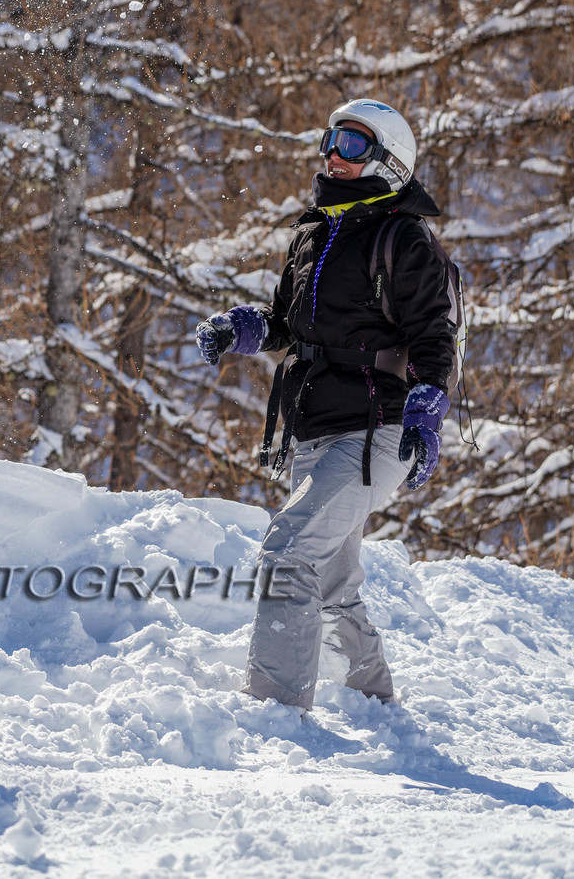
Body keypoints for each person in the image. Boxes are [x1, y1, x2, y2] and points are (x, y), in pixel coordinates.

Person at [196, 98, 458, 710]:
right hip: (313, 425)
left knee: (289, 554)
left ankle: (276, 708)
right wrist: (243, 328)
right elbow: (290, 324)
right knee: (332, 578)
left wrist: (425, 415)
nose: (336, 155)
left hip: (378, 430)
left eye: (355, 145)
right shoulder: (314, 231)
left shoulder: (404, 239)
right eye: (333, 139)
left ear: (389, 162)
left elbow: (432, 336)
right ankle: (373, 698)